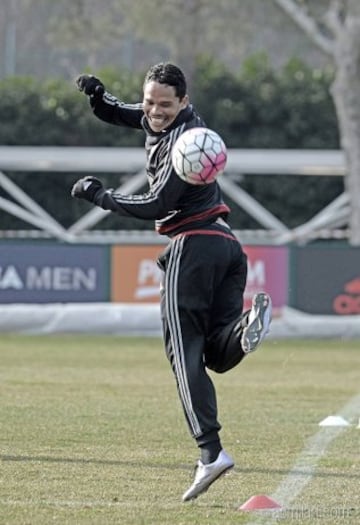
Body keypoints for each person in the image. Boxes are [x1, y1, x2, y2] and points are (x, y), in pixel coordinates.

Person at [71, 62, 272, 502]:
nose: (154, 112)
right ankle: (244, 330)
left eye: (165, 104)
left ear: (185, 102)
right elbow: (126, 115)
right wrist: (99, 99)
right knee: (216, 354)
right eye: (149, 102)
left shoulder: (189, 142)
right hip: (227, 246)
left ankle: (210, 452)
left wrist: (101, 196)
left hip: (193, 245)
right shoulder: (161, 115)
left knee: (183, 354)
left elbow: (155, 202)